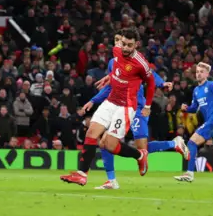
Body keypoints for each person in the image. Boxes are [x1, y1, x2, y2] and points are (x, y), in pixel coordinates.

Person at [84, 33, 189, 190]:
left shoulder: (136, 61)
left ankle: (173, 144)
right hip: (117, 105)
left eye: (123, 41)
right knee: (104, 142)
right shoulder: (113, 62)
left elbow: (150, 74)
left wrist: (161, 84)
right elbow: (110, 86)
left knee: (142, 148)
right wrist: (94, 100)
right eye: (117, 41)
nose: (120, 44)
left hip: (136, 107)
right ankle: (111, 180)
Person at [60, 28, 154, 186]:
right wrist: (109, 77)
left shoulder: (141, 63)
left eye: (129, 45)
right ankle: (82, 174)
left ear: (136, 45)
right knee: (91, 132)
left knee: (109, 145)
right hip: (111, 101)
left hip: (126, 107)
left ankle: (139, 155)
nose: (125, 48)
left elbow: (150, 83)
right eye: (123, 43)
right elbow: (120, 70)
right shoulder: (117, 50)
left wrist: (148, 105)